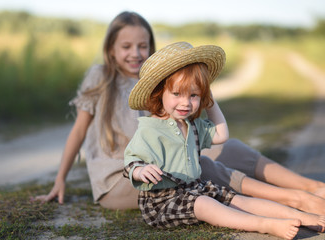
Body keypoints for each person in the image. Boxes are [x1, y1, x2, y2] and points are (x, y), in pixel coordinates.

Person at [32, 11, 325, 214]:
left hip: (166, 162)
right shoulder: (100, 77)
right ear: (111, 49)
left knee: (230, 147)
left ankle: (311, 188)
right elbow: (79, 131)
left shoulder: (159, 83)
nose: (135, 52)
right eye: (126, 46)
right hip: (124, 177)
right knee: (207, 169)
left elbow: (184, 128)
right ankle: (294, 200)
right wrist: (61, 179)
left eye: (142, 46)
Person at [123, 41, 325, 239]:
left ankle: (302, 216)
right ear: (159, 94)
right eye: (177, 94)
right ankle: (265, 224)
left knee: (238, 200)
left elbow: (222, 135)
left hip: (194, 188)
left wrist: (209, 100)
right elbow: (131, 162)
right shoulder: (149, 129)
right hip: (163, 201)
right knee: (204, 204)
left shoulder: (191, 125)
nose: (186, 102)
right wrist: (141, 171)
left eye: (194, 95)